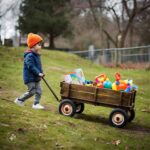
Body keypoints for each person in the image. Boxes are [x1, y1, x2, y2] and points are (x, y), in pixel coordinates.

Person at [14, 33, 45, 109]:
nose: (40, 46)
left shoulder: (36, 55)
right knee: (32, 91)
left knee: (39, 91)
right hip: (30, 78)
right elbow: (31, 66)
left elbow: (38, 66)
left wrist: (42, 72)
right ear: (33, 45)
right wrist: (38, 73)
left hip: (36, 77)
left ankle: (36, 104)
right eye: (39, 44)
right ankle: (19, 100)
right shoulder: (29, 55)